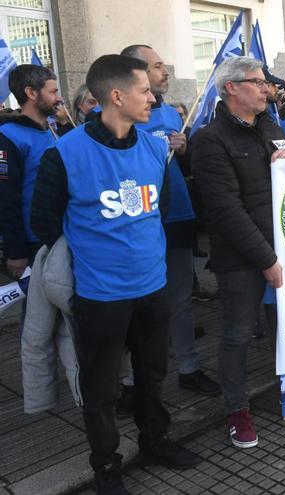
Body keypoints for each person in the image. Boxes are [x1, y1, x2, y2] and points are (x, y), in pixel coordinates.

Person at [30, 54, 201, 494]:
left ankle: (154, 441)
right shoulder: (64, 153)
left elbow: (156, 211)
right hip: (100, 294)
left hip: (152, 286)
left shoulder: (153, 147)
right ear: (117, 95)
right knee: (101, 387)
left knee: (152, 373)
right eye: (145, 90)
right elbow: (45, 223)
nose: (153, 97)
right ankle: (106, 467)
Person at [191, 56, 285, 450]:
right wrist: (266, 260)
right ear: (231, 88)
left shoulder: (270, 128)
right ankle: (237, 409)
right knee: (237, 334)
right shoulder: (211, 140)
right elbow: (224, 210)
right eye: (256, 82)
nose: (267, 88)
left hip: (282, 245)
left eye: (266, 82)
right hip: (241, 258)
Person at [120, 44, 220, 399]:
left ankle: (189, 368)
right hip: (140, 220)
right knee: (135, 304)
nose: (165, 72)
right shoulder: (117, 120)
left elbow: (184, 168)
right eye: (158, 66)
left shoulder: (172, 114)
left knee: (179, 299)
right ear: (136, 73)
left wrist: (184, 149)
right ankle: (132, 382)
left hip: (176, 216)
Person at [0, 65, 62, 282]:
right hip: (32, 242)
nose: (59, 98)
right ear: (31, 93)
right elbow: (6, 197)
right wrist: (15, 250)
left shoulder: (52, 128)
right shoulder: (9, 136)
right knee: (38, 311)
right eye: (53, 92)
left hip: (59, 234)